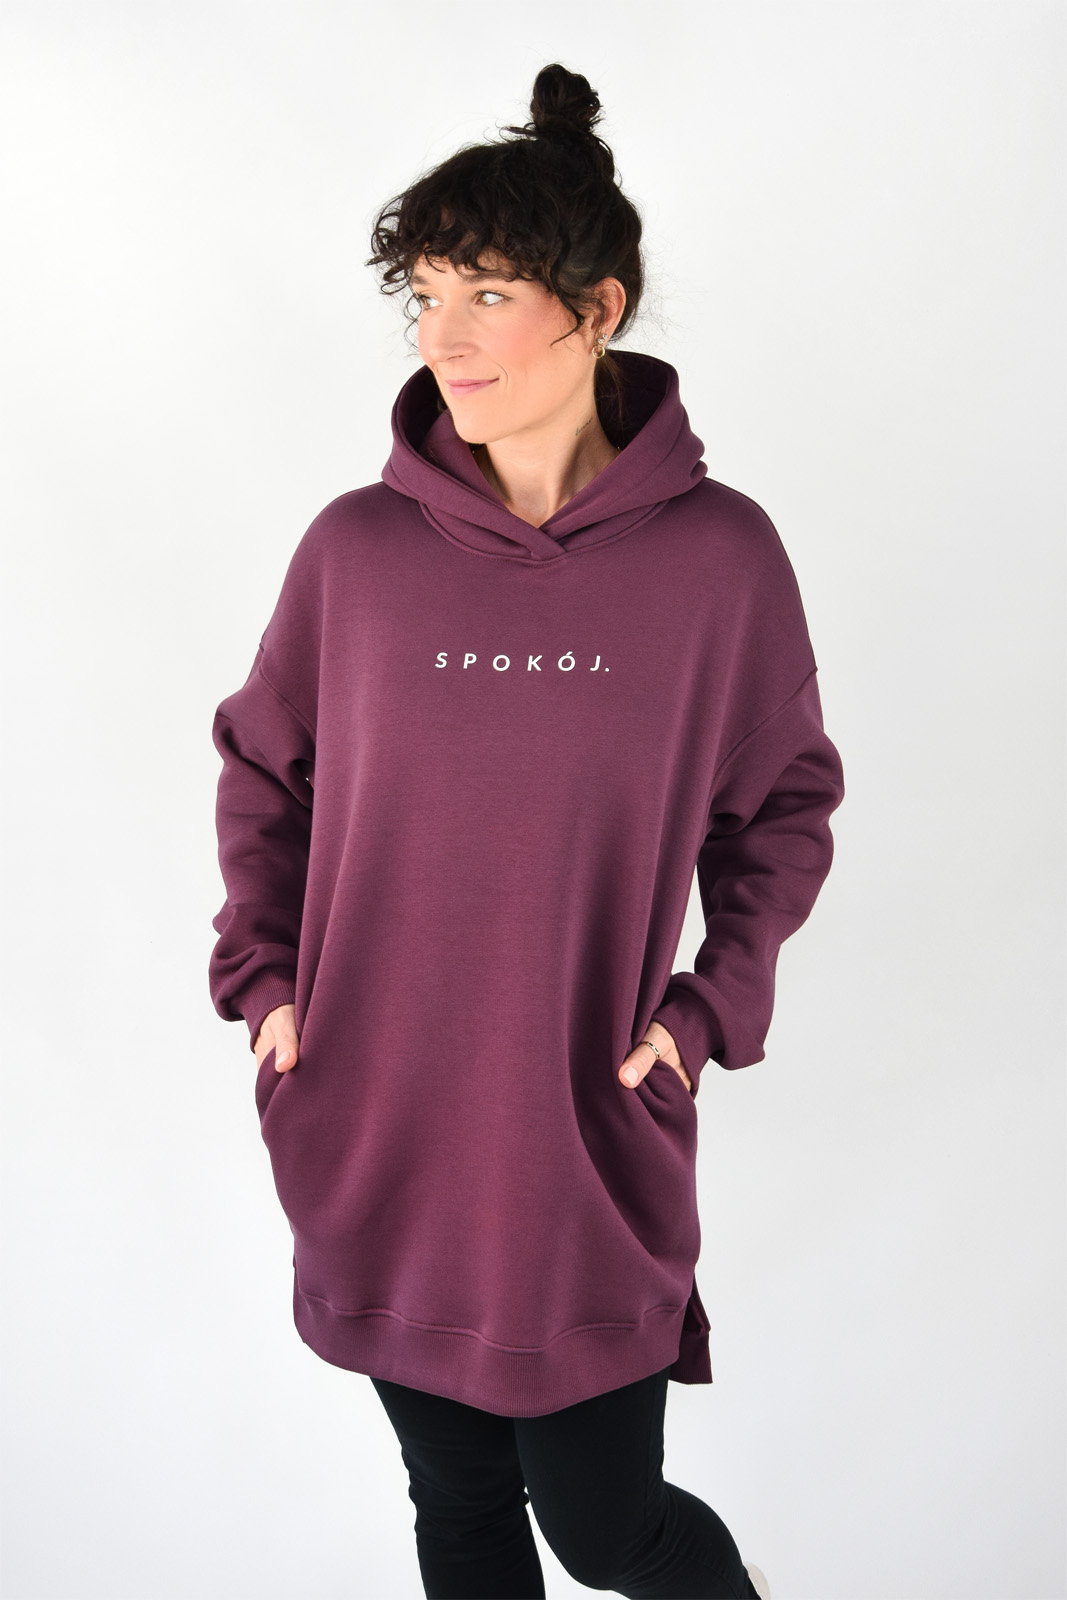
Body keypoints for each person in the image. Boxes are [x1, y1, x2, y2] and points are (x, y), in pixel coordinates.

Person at [208, 61, 844, 1600]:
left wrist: (709, 1009)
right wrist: (266, 983)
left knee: (609, 1528)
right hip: (379, 1122)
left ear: (598, 306)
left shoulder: (721, 562)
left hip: (581, 1138)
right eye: (425, 296)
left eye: (488, 293)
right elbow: (263, 774)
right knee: (459, 1504)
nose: (443, 337)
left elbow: (784, 807)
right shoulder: (357, 552)